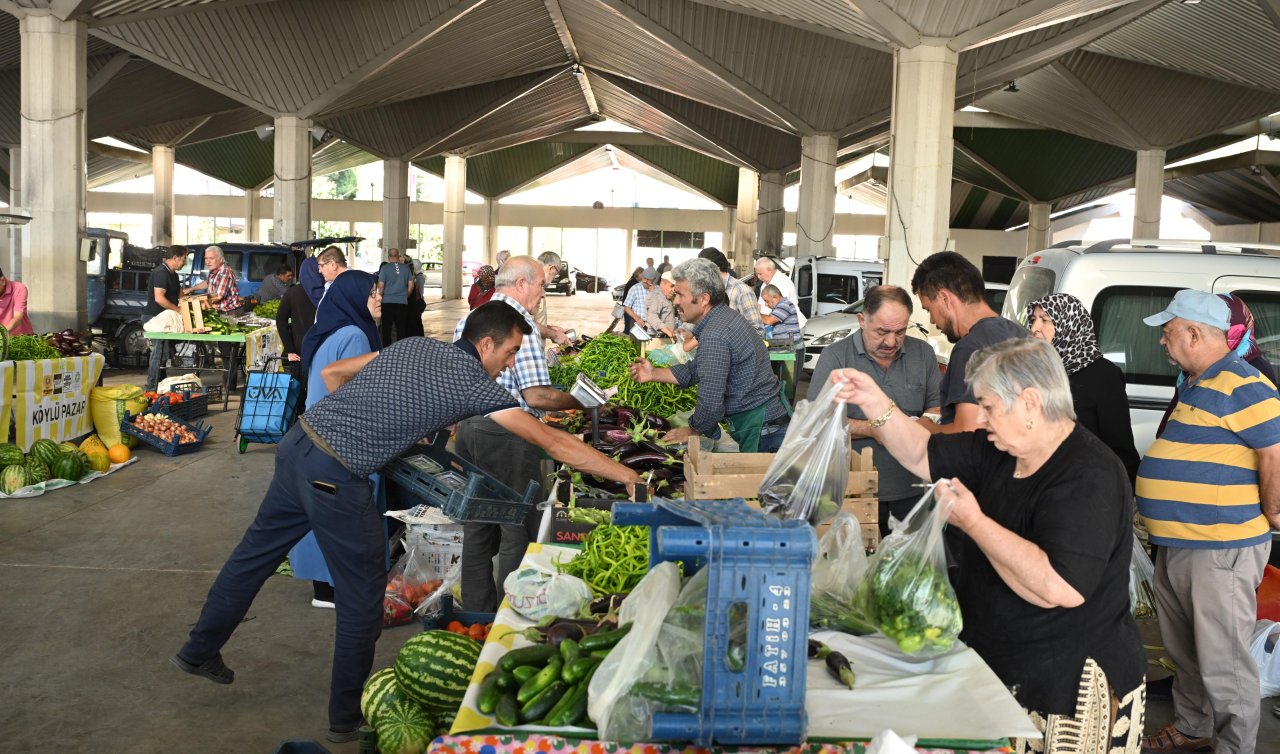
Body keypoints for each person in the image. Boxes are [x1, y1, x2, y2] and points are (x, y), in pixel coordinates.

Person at [171, 301, 641, 743]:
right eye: (511, 352)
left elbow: (333, 374)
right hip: (336, 477)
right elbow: (552, 443)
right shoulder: (475, 383)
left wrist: (370, 427)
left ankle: (197, 650)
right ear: (485, 345)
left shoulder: (414, 344)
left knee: (254, 556)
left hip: (299, 446)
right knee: (361, 599)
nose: (511, 364)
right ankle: (344, 721)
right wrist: (624, 472)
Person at [828, 337, 1146, 754]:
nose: (981, 419)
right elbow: (923, 452)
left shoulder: (1089, 475)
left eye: (990, 407)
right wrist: (874, 400)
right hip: (998, 665)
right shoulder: (1000, 449)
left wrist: (975, 523)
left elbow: (1059, 586)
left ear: (1030, 403)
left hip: (1066, 689)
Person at [1135, 289, 1280, 754]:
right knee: (1187, 652)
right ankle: (1194, 728)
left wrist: (1275, 511)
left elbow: (1275, 449)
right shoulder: (1198, 383)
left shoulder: (1243, 381)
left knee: (1226, 661)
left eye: (1169, 332)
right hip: (1182, 544)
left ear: (1195, 333)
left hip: (1220, 548)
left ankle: (1236, 747)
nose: (1163, 342)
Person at [451, 257, 586, 611]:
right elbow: (536, 395)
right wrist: (585, 401)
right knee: (516, 526)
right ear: (522, 284)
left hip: (468, 429)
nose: (544, 292)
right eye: (541, 284)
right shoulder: (517, 325)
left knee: (478, 525)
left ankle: (477, 614)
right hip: (504, 433)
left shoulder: (476, 316)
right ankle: (513, 611)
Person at [808, 285, 940, 537]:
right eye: (882, 331)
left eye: (900, 332)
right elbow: (818, 420)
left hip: (913, 490)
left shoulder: (922, 354)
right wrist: (874, 428)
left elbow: (937, 406)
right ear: (861, 320)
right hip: (851, 491)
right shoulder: (836, 357)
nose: (891, 341)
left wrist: (921, 424)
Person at [290, 271, 384, 609]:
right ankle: (338, 586)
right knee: (349, 512)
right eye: (372, 293)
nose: (378, 299)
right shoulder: (356, 335)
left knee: (322, 511)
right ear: (354, 298)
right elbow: (351, 394)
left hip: (315, 437)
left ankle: (324, 587)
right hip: (341, 440)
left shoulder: (331, 331)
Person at [629, 259, 788, 452]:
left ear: (704, 299)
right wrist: (653, 373)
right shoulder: (724, 317)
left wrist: (694, 430)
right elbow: (696, 370)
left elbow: (711, 403)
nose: (675, 301)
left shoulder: (715, 335)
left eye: (680, 295)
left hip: (763, 429)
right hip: (766, 421)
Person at [1026, 293, 1140, 485]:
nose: (1035, 328)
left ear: (1069, 325)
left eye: (1045, 320)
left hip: (1087, 486)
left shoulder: (1103, 375)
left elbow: (1120, 447)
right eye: (1033, 320)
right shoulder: (1034, 371)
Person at [911, 251, 1025, 432]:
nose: (932, 320)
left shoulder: (970, 349)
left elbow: (968, 433)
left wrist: (927, 428)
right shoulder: (1021, 336)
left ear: (945, 299)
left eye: (929, 310)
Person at [1156, 292, 1278, 438]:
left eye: (1220, 331)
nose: (1162, 341)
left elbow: (1271, 449)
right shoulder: (1199, 369)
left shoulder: (1251, 375)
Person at [144, 246, 189, 391]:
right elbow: (159, 298)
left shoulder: (174, 275)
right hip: (156, 319)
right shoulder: (161, 273)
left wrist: (192, 304)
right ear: (175, 258)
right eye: (184, 259)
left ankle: (161, 386)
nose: (185, 262)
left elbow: (180, 295)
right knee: (158, 354)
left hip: (167, 319)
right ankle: (151, 388)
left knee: (164, 355)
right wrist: (178, 310)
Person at [275, 262, 320, 405]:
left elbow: (280, 320)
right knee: (318, 388)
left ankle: (298, 419)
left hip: (299, 350)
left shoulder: (293, 292)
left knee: (299, 389)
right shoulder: (325, 291)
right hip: (321, 348)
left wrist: (289, 348)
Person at [698, 247, 765, 337]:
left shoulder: (742, 291)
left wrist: (728, 338)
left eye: (702, 271)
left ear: (714, 269)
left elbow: (757, 330)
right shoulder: (707, 290)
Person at [754, 257, 806, 327]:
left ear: (769, 270)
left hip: (791, 327)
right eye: (757, 274)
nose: (759, 277)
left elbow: (773, 317)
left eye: (760, 274)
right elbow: (760, 305)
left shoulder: (782, 283)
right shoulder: (765, 283)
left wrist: (754, 316)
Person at [377, 248, 413, 346]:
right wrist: (405, 296)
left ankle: (387, 351)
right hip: (402, 302)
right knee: (401, 328)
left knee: (386, 329)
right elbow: (411, 285)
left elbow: (381, 285)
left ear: (388, 257)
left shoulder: (385, 268)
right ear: (398, 256)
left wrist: (380, 297)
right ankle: (401, 350)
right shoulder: (406, 268)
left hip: (387, 302)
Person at [0, 266, 33, 335]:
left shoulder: (19, 289)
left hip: (22, 338)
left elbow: (17, 318)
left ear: (2, 281)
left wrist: (2, 334)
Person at [645, 270, 678, 338]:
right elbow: (651, 316)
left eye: (675, 287)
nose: (674, 290)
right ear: (662, 284)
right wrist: (668, 332)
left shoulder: (665, 296)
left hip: (665, 337)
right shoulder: (656, 296)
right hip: (658, 338)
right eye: (671, 286)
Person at [623, 268, 655, 335]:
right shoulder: (635, 288)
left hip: (653, 325)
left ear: (653, 279)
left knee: (651, 344)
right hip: (637, 323)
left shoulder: (657, 289)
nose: (646, 281)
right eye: (644, 279)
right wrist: (637, 318)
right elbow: (626, 307)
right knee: (636, 344)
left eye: (648, 280)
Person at [404, 259, 426, 338]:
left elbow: (419, 292)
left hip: (415, 304)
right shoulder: (415, 277)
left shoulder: (418, 277)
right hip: (414, 304)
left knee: (414, 323)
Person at [621, 266, 644, 332]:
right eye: (642, 274)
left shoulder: (633, 280)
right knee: (629, 330)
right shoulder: (634, 283)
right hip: (629, 309)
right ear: (638, 273)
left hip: (628, 309)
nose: (644, 276)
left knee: (628, 329)